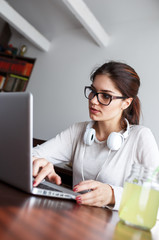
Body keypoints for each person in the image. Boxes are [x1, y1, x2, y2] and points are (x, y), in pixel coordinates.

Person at [32, 61, 159, 210]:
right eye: (93, 91)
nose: (93, 100)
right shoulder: (78, 131)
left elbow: (155, 202)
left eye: (105, 96)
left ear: (126, 103)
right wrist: (37, 162)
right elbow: (29, 156)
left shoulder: (141, 137)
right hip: (75, 219)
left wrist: (112, 196)